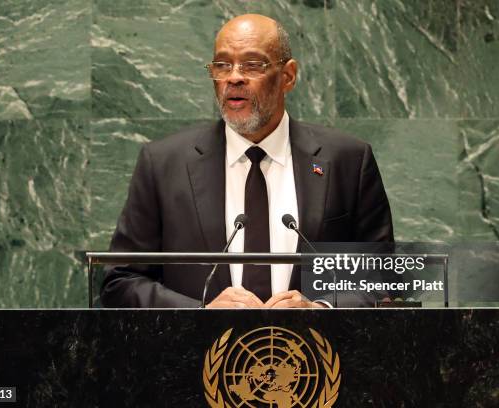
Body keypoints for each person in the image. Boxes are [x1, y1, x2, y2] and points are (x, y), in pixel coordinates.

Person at [100, 14, 393, 309]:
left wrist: (321, 309)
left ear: (288, 76)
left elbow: (382, 279)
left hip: (317, 353)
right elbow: (121, 281)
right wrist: (200, 314)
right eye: (222, 65)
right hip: (197, 352)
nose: (234, 77)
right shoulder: (163, 165)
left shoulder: (348, 160)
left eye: (252, 64)